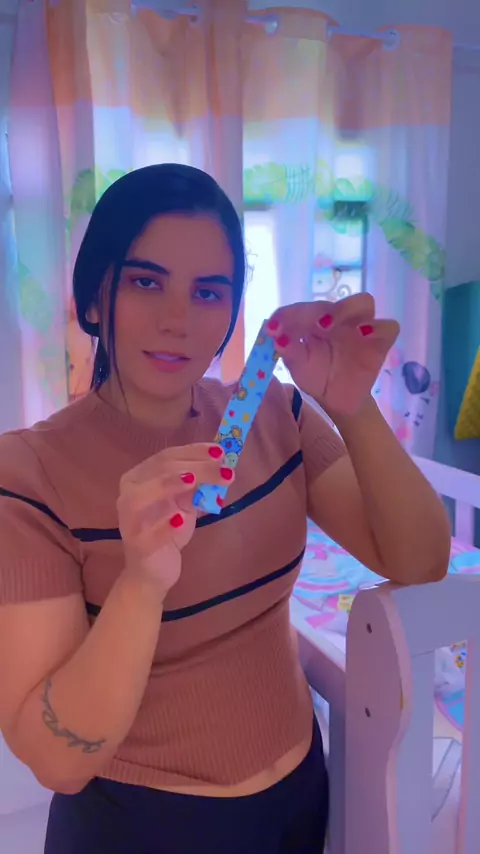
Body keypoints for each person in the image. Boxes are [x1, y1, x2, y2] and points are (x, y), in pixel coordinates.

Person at [0, 164, 451, 854]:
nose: (178, 320)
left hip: (301, 796)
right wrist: (141, 584)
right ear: (94, 297)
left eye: (208, 292)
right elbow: (57, 760)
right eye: (145, 281)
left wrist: (353, 409)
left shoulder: (276, 415)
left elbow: (419, 561)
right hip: (141, 827)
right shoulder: (29, 474)